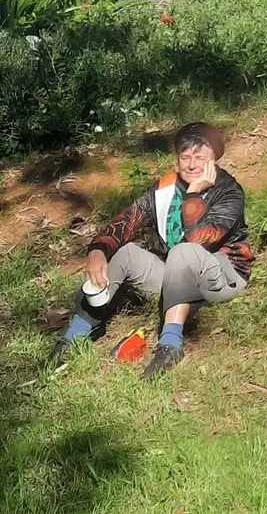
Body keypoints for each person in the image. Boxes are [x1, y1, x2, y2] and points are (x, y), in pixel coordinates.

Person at [50, 123, 253, 380]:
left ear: (214, 161)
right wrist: (98, 250)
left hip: (222, 275)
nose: (191, 165)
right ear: (177, 160)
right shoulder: (164, 188)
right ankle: (74, 336)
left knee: (183, 252)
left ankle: (171, 344)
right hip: (177, 278)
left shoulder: (229, 192)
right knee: (125, 253)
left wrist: (193, 195)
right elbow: (128, 220)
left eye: (200, 158)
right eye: (185, 157)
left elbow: (198, 240)